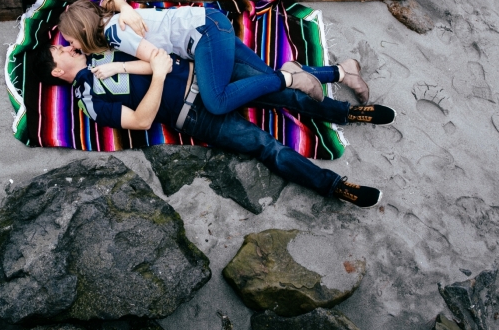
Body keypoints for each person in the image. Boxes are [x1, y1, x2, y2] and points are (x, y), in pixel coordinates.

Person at [30, 43, 396, 208]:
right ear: (57, 71)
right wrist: (158, 76)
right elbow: (140, 121)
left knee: (283, 91)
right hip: (196, 115)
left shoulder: (99, 49)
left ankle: (344, 113)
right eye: (61, 50)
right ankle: (335, 186)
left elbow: (150, 47)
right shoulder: (89, 102)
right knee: (265, 146)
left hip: (207, 73)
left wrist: (152, 63)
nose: (68, 46)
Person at [56, 0, 370, 116]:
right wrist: (123, 6)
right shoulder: (111, 23)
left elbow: (156, 60)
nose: (70, 45)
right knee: (263, 83)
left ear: (82, 30)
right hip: (209, 25)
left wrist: (118, 67)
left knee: (217, 101)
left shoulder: (115, 33)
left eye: (69, 39)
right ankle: (342, 72)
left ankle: (290, 74)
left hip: (205, 36)